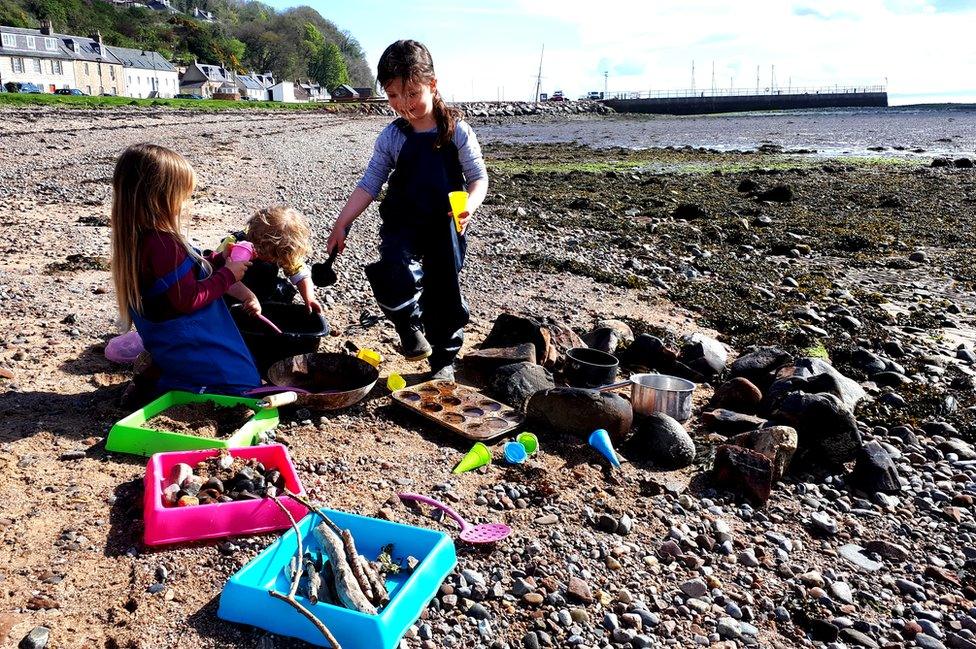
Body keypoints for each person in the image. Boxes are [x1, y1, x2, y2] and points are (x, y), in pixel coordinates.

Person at [326, 39, 488, 381]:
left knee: (444, 290)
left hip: (446, 224)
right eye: (393, 95)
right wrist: (342, 223)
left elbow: (478, 178)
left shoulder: (457, 132)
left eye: (412, 93)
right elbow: (370, 183)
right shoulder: (392, 136)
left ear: (433, 84)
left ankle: (443, 360)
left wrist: (469, 206)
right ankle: (408, 326)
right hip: (402, 220)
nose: (403, 105)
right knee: (394, 269)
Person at [110, 143, 260, 398]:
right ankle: (171, 386)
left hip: (169, 345)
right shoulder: (164, 244)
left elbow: (181, 274)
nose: (184, 203)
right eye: (182, 195)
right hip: (190, 340)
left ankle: (159, 376)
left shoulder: (139, 239)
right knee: (244, 386)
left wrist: (217, 259)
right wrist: (229, 275)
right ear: (160, 198)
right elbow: (187, 298)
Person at [219, 206, 323, 314]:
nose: (271, 260)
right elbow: (223, 278)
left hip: (261, 289)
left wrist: (309, 299)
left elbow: (301, 275)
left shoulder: (281, 249)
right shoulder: (237, 246)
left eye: (276, 258)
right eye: (268, 256)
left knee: (285, 290)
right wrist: (249, 297)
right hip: (229, 288)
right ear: (257, 244)